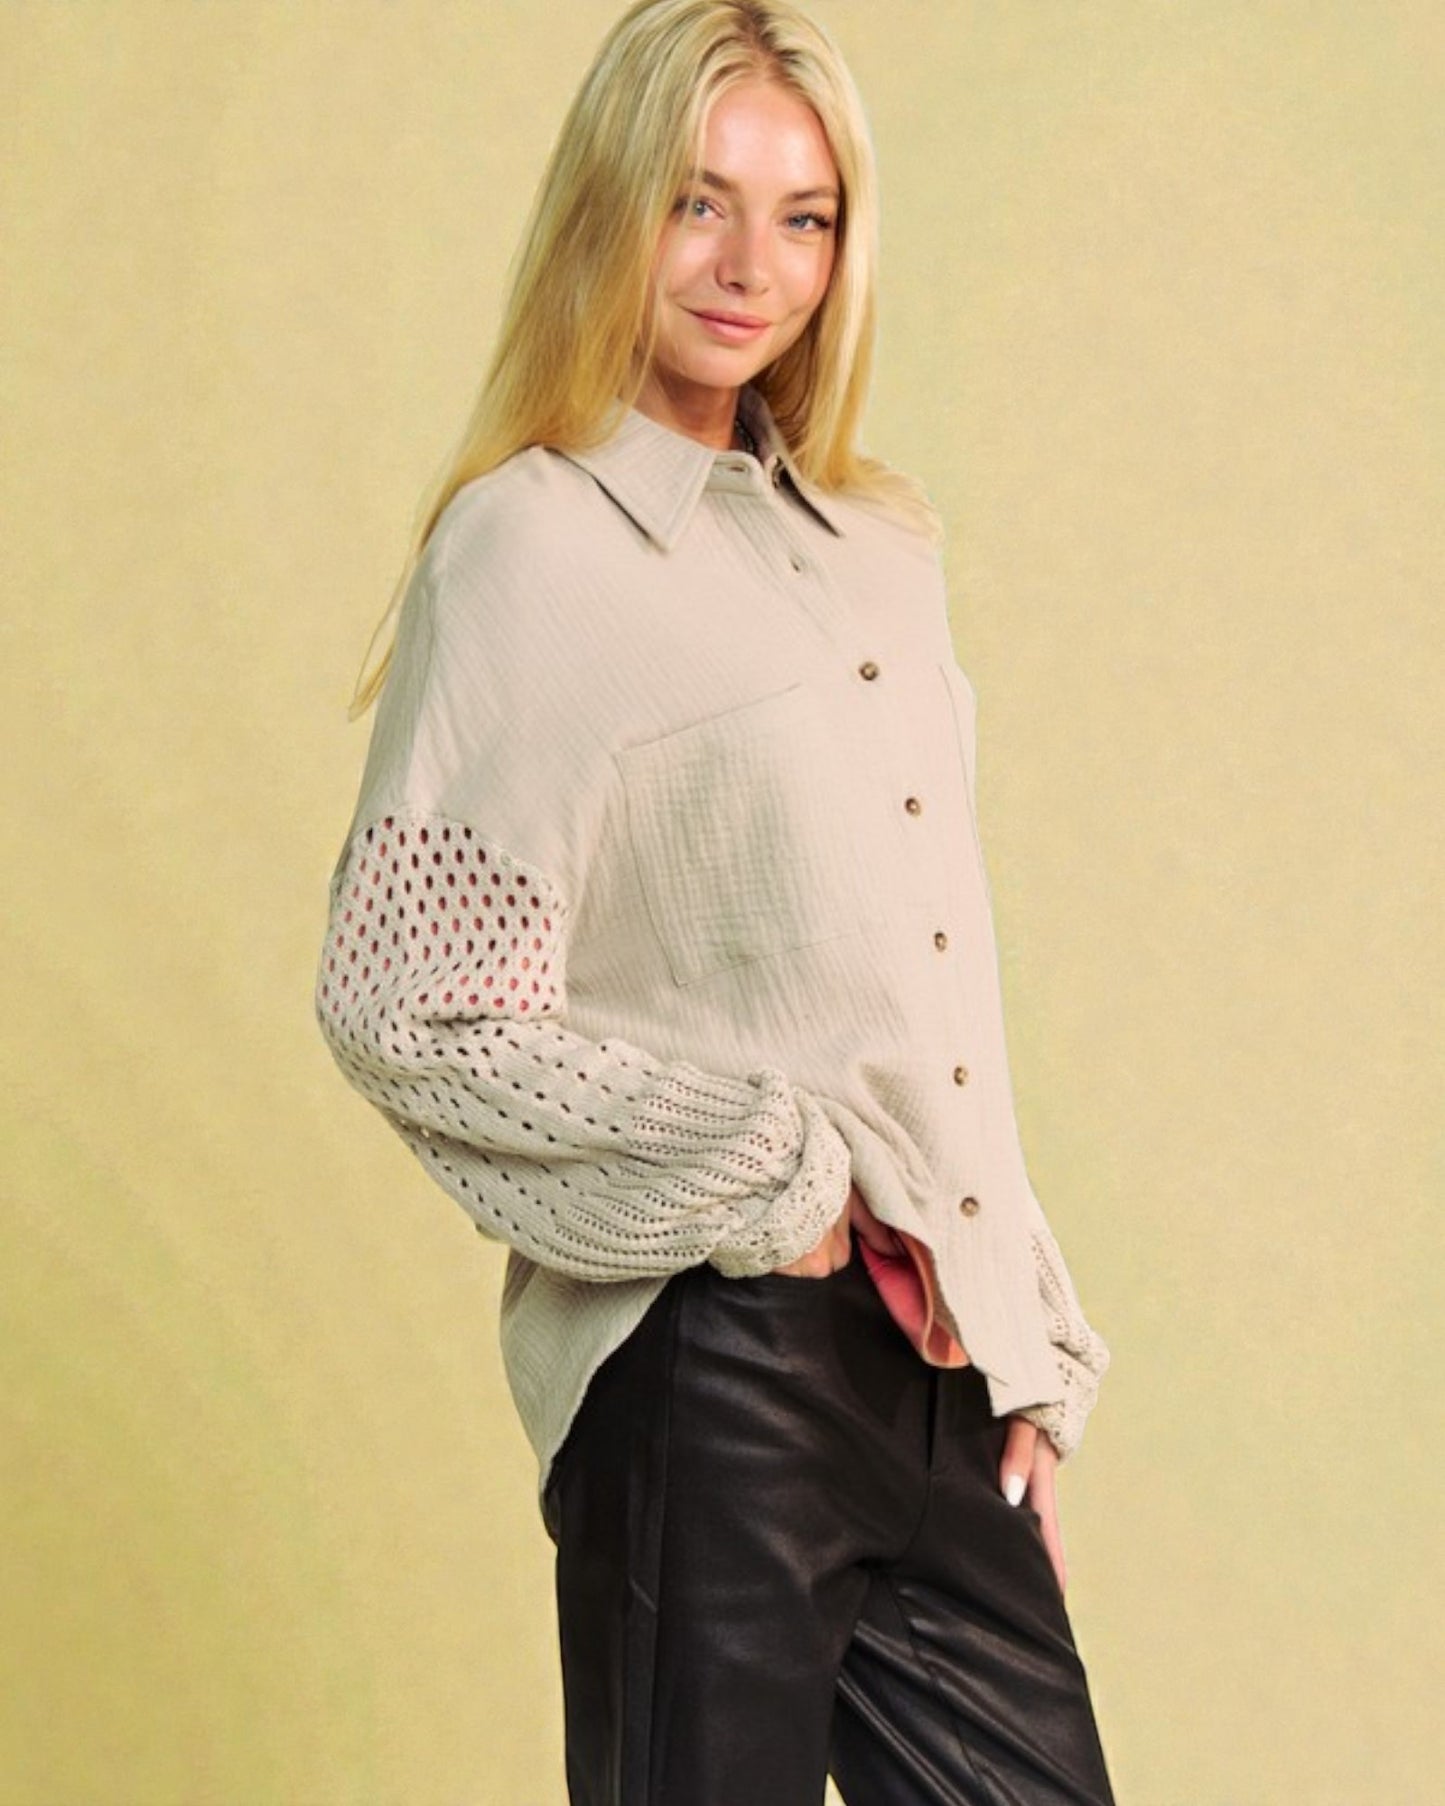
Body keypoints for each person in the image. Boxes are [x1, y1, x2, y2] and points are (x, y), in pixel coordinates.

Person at [314, 2, 1114, 1800]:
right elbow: (403, 1001)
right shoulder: (530, 548)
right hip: (711, 1354)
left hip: (928, 1362)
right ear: (613, 206)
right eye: (699, 202)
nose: (753, 266)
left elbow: (923, 981)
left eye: (803, 217)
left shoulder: (879, 552)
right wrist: (776, 1172)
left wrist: (1014, 1335)